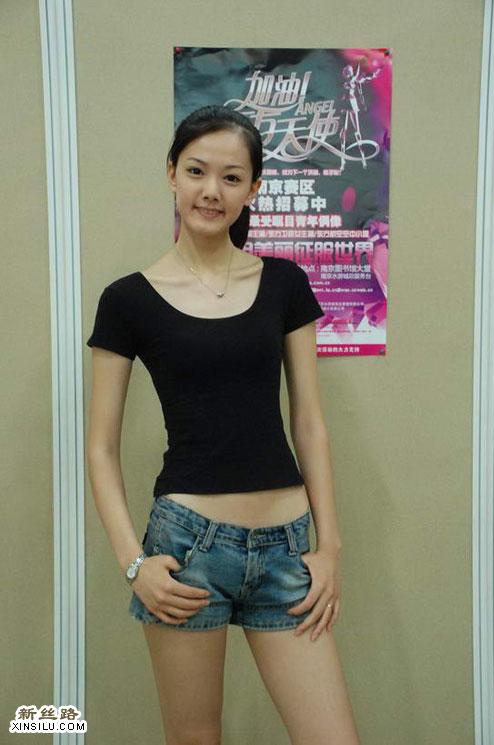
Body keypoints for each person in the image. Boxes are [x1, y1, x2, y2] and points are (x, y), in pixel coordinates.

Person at [86, 104, 361, 745]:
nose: (211, 191)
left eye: (231, 177)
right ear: (171, 175)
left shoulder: (285, 283)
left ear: (253, 189)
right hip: (186, 553)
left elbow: (309, 423)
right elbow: (100, 448)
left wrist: (330, 546)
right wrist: (133, 563)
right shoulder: (127, 300)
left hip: (287, 549)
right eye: (196, 171)